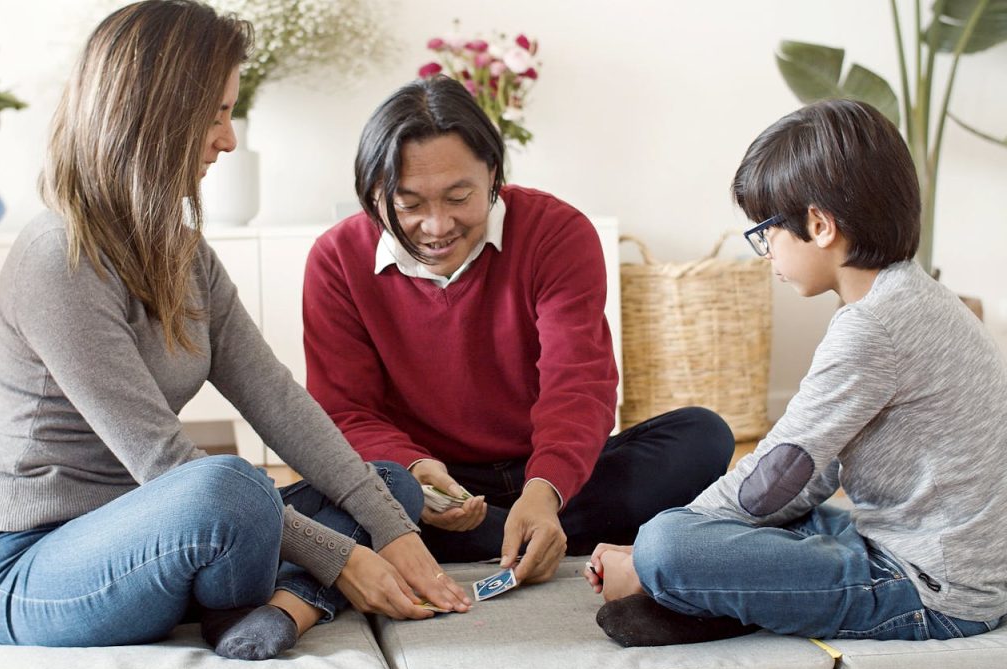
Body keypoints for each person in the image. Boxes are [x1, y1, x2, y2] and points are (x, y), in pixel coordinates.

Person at [0, 0, 470, 662]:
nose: (228, 138)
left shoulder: (183, 254)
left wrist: (393, 533)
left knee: (390, 486)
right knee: (231, 486)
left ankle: (278, 609)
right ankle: (293, 595)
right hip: (37, 564)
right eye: (215, 112)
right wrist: (345, 559)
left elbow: (277, 399)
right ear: (156, 112)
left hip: (168, 540)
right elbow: (163, 466)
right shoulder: (57, 258)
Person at [588, 99, 1007, 647]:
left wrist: (646, 554)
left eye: (765, 232)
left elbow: (774, 474)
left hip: (930, 589)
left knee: (669, 543)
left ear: (819, 225)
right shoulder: (912, 296)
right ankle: (706, 597)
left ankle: (681, 590)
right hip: (913, 546)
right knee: (750, 523)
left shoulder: (874, 326)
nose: (766, 253)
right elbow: (809, 472)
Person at [302, 76, 734, 585]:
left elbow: (578, 383)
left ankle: (511, 532)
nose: (438, 226)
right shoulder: (336, 259)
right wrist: (418, 473)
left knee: (703, 437)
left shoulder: (557, 233)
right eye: (409, 205)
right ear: (373, 193)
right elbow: (346, 410)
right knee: (341, 492)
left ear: (493, 176)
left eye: (459, 196)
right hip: (429, 483)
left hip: (550, 471)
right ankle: (526, 536)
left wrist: (544, 491)